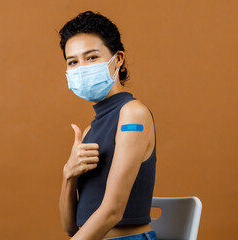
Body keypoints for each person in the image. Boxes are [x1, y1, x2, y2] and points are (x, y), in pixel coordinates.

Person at [58, 11, 158, 240]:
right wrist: (68, 174)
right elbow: (71, 228)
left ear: (118, 59)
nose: (81, 68)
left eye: (91, 57)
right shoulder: (89, 131)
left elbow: (112, 212)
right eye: (72, 62)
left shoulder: (133, 115)